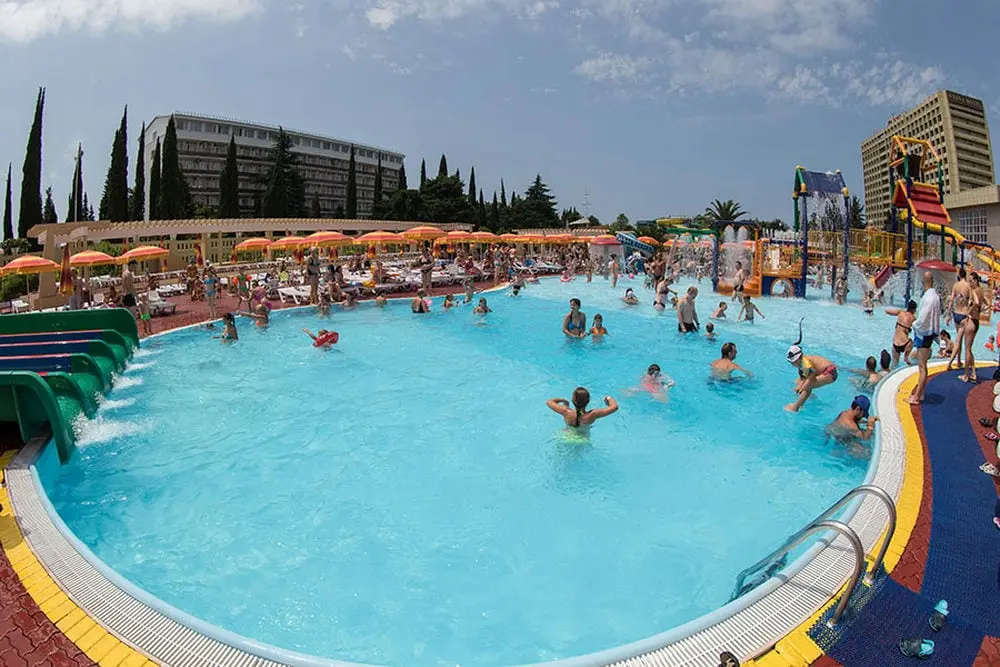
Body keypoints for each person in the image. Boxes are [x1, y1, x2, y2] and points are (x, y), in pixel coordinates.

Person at [909, 271, 941, 405]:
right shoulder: (936, 297)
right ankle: (921, 393)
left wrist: (914, 324)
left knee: (922, 366)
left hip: (924, 334)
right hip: (929, 333)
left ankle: (916, 396)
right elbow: (937, 317)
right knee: (923, 365)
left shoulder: (928, 298)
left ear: (923, 281)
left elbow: (922, 318)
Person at [546, 387, 618, 432]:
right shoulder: (593, 415)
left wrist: (563, 400)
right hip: (582, 440)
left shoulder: (566, 411)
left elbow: (549, 402)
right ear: (588, 401)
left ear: (573, 400)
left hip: (566, 436)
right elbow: (615, 407)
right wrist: (609, 398)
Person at [958, 270, 985, 383]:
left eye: (971, 281)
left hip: (971, 322)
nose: (969, 283)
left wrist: (968, 313)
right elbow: (985, 304)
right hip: (976, 322)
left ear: (975, 280)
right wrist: (980, 310)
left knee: (967, 350)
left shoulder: (974, 291)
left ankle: (966, 375)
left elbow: (977, 302)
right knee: (969, 349)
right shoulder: (981, 291)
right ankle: (973, 373)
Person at [885, 300, 917, 367]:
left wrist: (899, 312)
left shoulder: (901, 312)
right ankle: (906, 357)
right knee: (912, 342)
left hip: (895, 343)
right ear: (914, 309)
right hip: (905, 344)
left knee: (894, 363)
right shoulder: (913, 318)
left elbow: (887, 311)